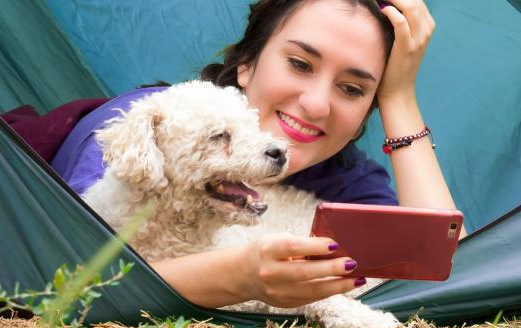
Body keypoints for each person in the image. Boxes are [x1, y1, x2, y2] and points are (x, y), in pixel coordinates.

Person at [52, 0, 460, 309]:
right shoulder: (158, 128)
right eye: (300, 64)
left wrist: (400, 98)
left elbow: (437, 270)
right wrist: (240, 275)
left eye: (353, 89)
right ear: (246, 64)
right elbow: (74, 277)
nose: (317, 104)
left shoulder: (343, 180)